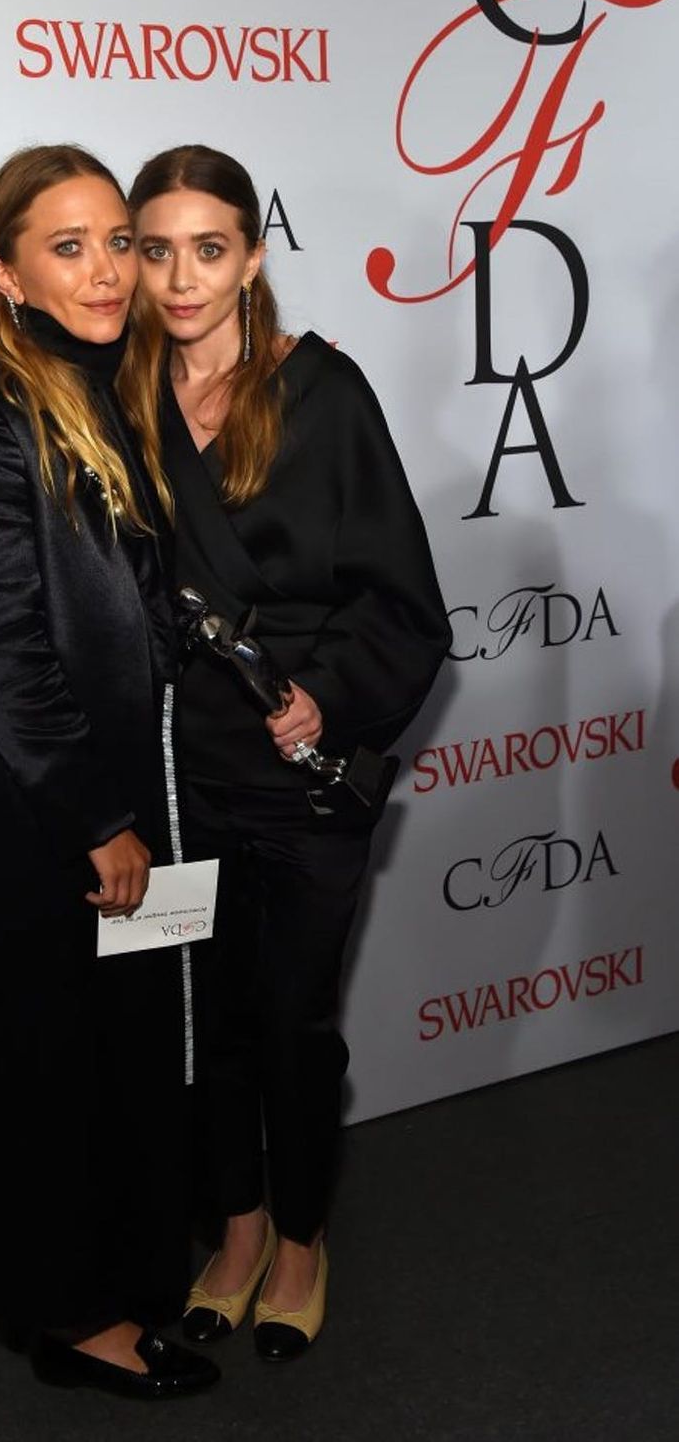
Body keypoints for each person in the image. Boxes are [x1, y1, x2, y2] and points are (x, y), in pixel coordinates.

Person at [119, 145, 451, 1362]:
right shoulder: (121, 399)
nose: (179, 276)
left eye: (207, 248)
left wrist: (325, 693)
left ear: (251, 256)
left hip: (302, 771)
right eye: (153, 249)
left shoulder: (323, 392)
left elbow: (406, 603)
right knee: (202, 1018)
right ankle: (239, 1227)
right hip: (171, 774)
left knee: (295, 1017)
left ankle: (302, 1235)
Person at [0, 144, 218, 1400]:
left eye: (118, 241)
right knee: (49, 1063)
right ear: (8, 273)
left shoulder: (121, 390)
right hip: (47, 808)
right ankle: (69, 1316)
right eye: (68, 245)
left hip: (140, 783)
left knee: (128, 1051)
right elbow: (3, 648)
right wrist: (92, 817)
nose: (106, 270)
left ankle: (135, 1268)